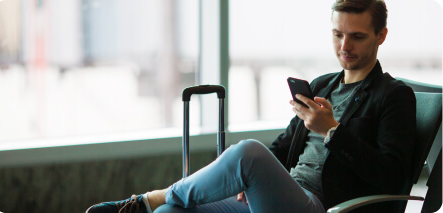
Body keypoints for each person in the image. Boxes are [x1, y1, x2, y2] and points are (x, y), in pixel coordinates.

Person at [86, 0, 416, 212]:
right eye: (337, 34)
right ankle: (156, 204)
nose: (345, 46)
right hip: (282, 195)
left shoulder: (393, 96)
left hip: (325, 206)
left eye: (356, 36)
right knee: (171, 212)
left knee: (248, 153)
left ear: (381, 35)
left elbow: (391, 176)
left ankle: (148, 198)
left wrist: (332, 130)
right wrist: (256, 180)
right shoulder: (322, 86)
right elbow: (282, 147)